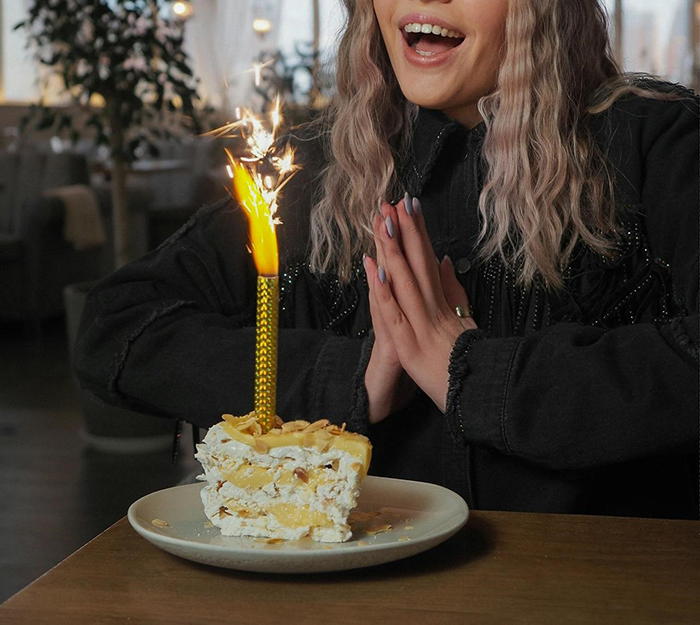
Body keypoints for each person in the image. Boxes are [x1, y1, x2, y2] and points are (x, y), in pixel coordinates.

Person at [74, 0, 699, 519]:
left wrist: (476, 375)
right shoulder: (310, 174)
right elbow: (113, 326)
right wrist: (350, 378)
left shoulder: (656, 145)